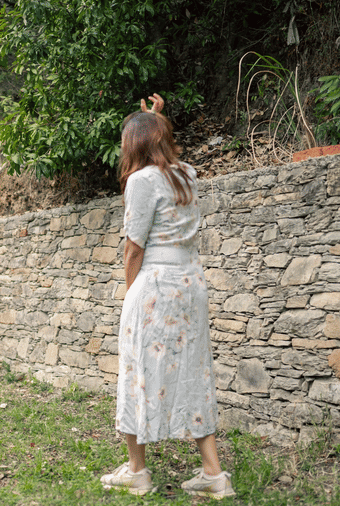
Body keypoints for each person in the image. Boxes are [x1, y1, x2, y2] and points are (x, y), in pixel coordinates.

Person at [100, 95, 235, 499]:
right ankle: (213, 474)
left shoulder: (141, 181)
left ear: (134, 144)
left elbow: (134, 247)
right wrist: (154, 119)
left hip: (155, 284)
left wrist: (130, 292)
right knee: (194, 371)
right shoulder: (187, 174)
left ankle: (137, 471)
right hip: (190, 282)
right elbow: (164, 154)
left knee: (137, 368)